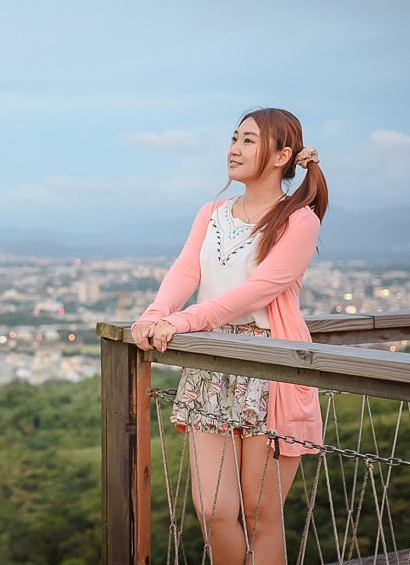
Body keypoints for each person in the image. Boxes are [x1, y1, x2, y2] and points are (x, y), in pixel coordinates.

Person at [130, 108, 327, 565]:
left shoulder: (299, 220)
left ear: (282, 156)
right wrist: (157, 312)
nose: (234, 149)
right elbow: (187, 268)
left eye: (249, 141)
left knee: (262, 515)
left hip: (270, 367)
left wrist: (182, 321)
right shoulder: (212, 212)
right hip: (211, 366)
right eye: (234, 138)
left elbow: (259, 290)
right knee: (214, 510)